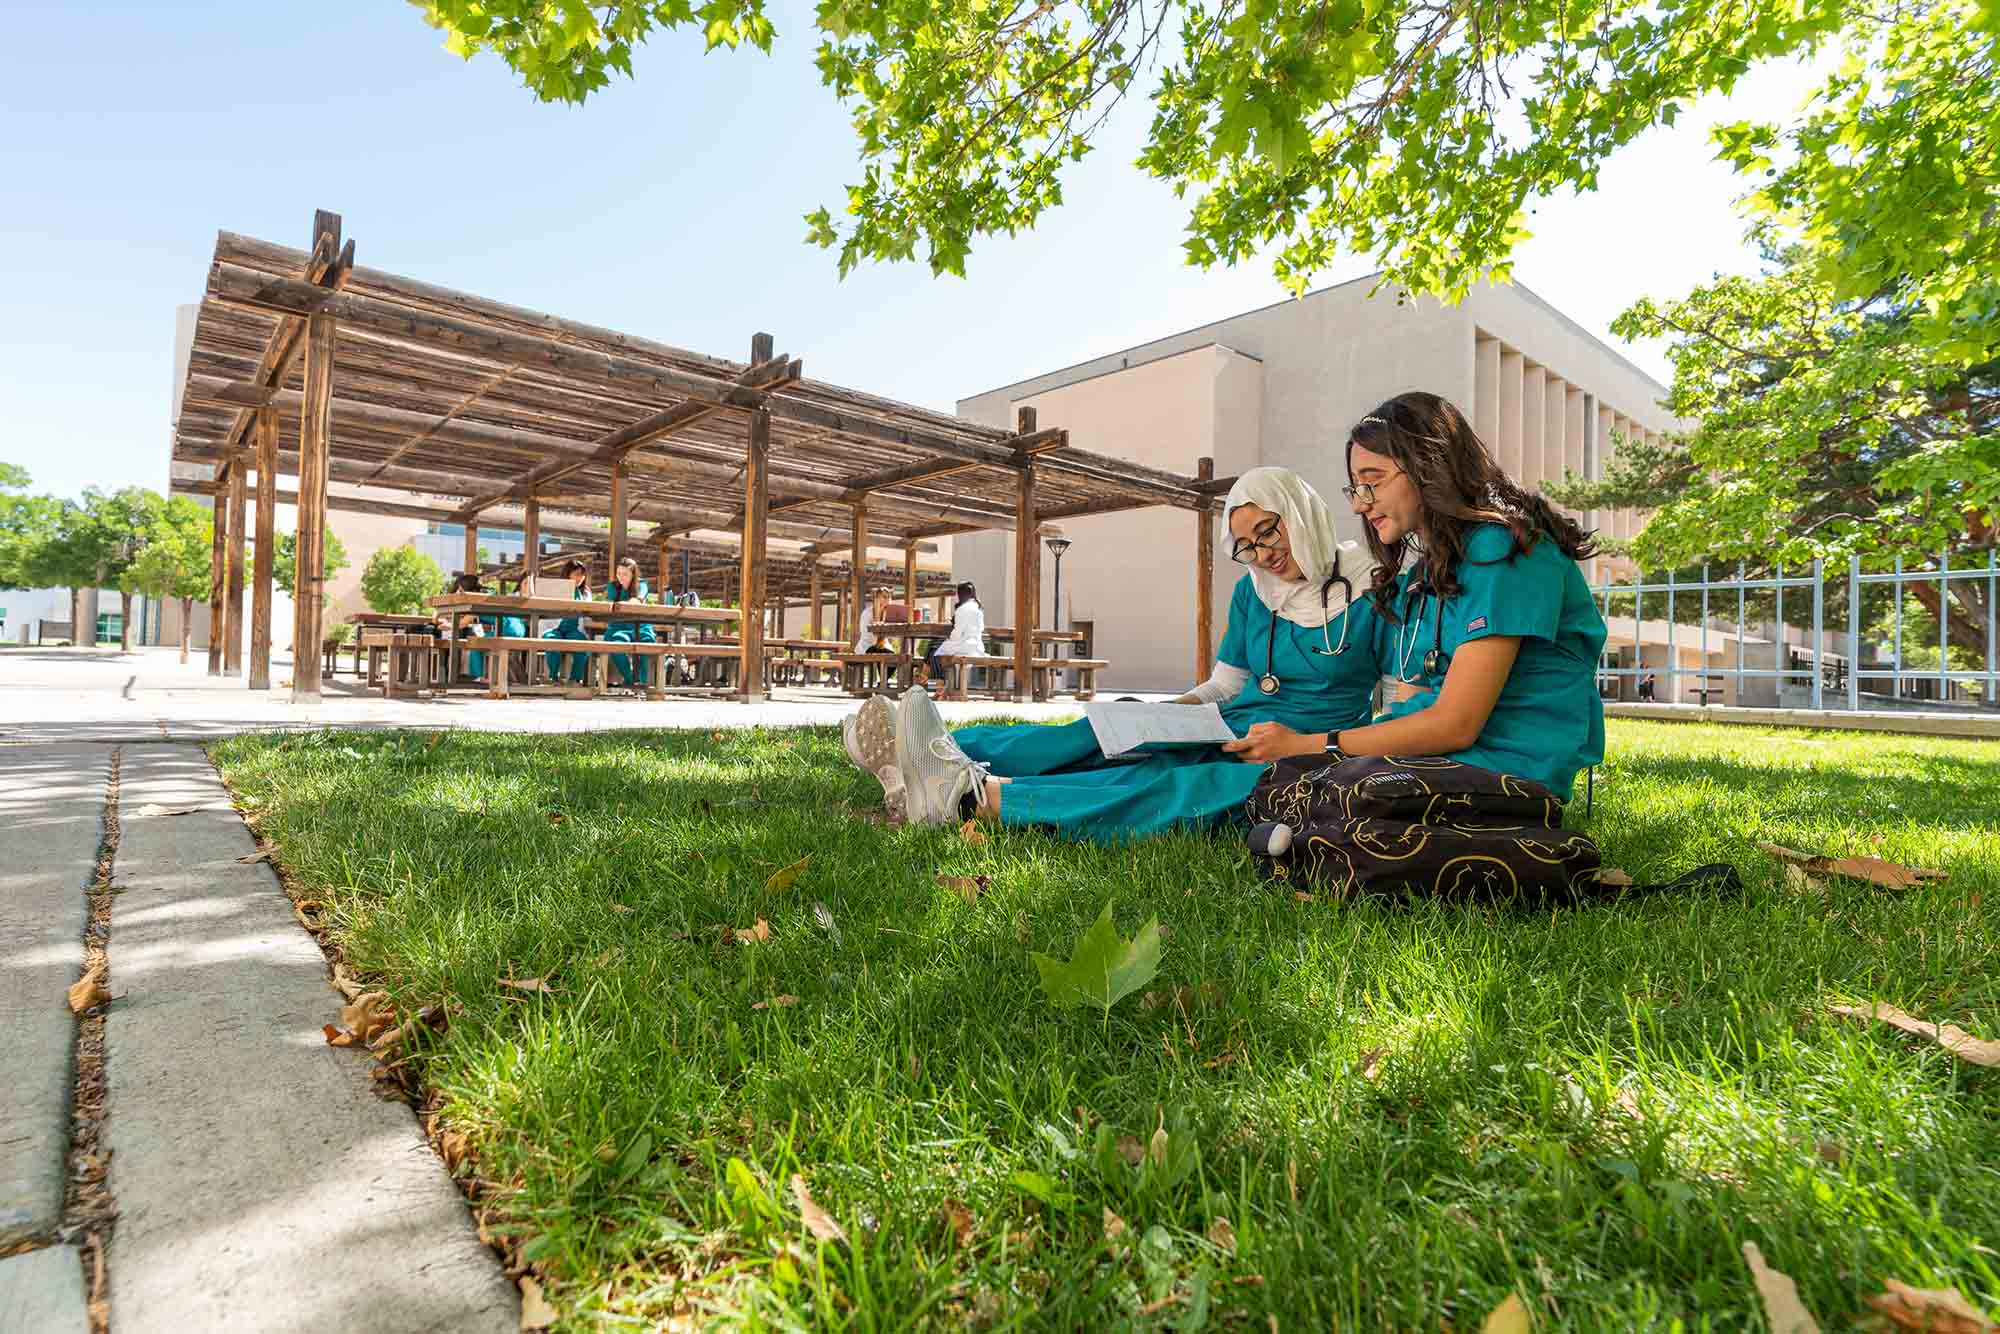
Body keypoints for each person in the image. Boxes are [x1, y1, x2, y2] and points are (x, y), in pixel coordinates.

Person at [842, 469, 1384, 840]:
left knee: (1176, 784)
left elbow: (1398, 711)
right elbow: (1223, 686)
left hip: (1309, 748)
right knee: (1108, 729)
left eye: (1269, 530)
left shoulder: (1374, 589)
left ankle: (975, 796)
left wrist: (1309, 745)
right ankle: (936, 749)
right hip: (1235, 721)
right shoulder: (1254, 591)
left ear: (1301, 511)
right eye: (1248, 545)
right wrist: (1162, 714)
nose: (1264, 553)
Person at [1224, 391, 1607, 804]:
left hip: (1506, 772)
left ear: (1428, 466)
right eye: (1355, 488)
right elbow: (1415, 702)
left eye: (1372, 482)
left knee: (1296, 786)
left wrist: (1308, 744)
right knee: (1283, 779)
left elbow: (1454, 724)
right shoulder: (1429, 574)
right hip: (1439, 760)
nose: (1358, 504)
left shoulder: (1503, 551)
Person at [450, 572, 528, 685]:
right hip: (518, 628)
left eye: (461, 590)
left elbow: (462, 624)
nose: (459, 593)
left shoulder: (478, 599)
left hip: (508, 630)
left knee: (475, 644)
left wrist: (448, 626)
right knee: (478, 640)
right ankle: (484, 677)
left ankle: (478, 678)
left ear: (466, 589)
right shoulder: (488, 593)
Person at [912, 581, 987, 688]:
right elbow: (981, 628)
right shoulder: (978, 609)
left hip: (964, 645)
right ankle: (927, 677)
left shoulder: (962, 609)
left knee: (934, 653)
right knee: (933, 645)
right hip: (975, 645)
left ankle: (937, 685)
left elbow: (957, 634)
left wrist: (949, 639)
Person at [602, 556, 656, 690]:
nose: (621, 577)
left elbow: (637, 600)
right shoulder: (612, 586)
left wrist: (625, 604)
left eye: (625, 574)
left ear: (633, 574)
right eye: (618, 573)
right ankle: (630, 678)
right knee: (615, 645)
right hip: (619, 627)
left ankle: (643, 682)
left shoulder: (641, 584)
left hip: (641, 625)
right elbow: (610, 605)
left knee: (647, 645)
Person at [540, 559, 594, 685]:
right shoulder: (556, 588)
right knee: (552, 641)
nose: (580, 577)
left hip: (573, 630)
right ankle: (554, 677)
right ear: (567, 574)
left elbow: (588, 614)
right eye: (576, 574)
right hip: (554, 628)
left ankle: (574, 679)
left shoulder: (585, 593)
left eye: (582, 574)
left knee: (584, 646)